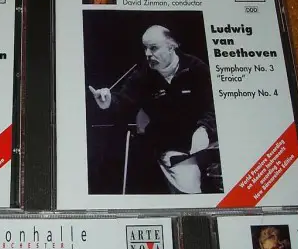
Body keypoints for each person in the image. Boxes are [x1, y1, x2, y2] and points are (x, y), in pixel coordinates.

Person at [89, 25, 217, 194]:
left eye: (154, 48)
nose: (148, 54)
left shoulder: (197, 69)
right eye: (145, 48)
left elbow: (213, 106)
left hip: (204, 140)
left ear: (171, 46)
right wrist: (108, 102)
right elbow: (123, 101)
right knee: (188, 184)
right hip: (169, 149)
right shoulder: (143, 75)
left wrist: (205, 129)